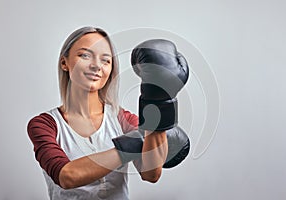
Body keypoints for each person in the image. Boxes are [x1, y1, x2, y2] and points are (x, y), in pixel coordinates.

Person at [27, 26, 190, 200]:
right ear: (64, 63)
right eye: (85, 55)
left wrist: (159, 98)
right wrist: (134, 143)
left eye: (105, 60)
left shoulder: (123, 119)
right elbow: (67, 176)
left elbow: (150, 174)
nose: (96, 65)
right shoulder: (44, 125)